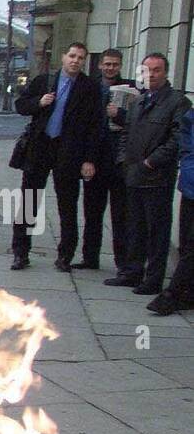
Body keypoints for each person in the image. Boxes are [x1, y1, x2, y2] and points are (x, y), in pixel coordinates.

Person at [10, 42, 103, 272]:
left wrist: (89, 159)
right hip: (40, 147)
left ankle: (65, 255)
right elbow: (20, 105)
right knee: (29, 201)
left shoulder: (89, 87)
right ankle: (20, 252)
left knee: (67, 205)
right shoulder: (45, 81)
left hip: (69, 151)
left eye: (80, 58)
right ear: (63, 57)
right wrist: (38, 102)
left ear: (84, 61)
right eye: (72, 56)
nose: (75, 61)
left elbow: (95, 126)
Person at [104, 53, 191, 295]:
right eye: (147, 70)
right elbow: (125, 133)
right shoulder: (139, 101)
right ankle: (132, 273)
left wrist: (152, 162)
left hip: (157, 178)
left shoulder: (177, 102)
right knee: (134, 228)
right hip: (133, 175)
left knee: (157, 232)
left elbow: (177, 139)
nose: (151, 75)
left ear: (166, 73)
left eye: (157, 70)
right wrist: (124, 161)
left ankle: (153, 280)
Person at [79, 48, 135, 270]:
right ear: (100, 65)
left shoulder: (130, 89)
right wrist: (86, 160)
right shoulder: (90, 88)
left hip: (120, 161)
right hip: (95, 158)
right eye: (107, 64)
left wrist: (119, 115)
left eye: (115, 64)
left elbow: (137, 122)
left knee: (120, 216)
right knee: (92, 212)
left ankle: (122, 262)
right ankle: (89, 258)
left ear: (120, 66)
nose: (111, 68)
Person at [148, 105, 194, 315]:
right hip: (190, 185)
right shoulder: (191, 115)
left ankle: (171, 294)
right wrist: (187, 163)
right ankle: (188, 294)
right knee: (185, 242)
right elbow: (186, 138)